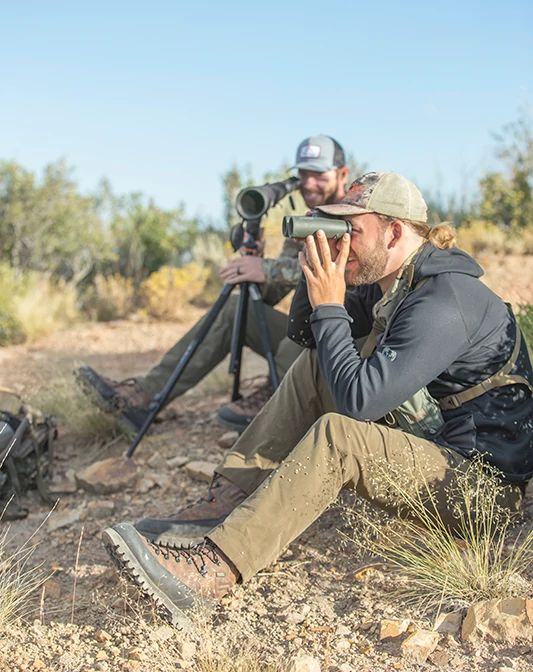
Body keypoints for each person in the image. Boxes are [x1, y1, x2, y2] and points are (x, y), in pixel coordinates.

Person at [102, 171, 533, 627]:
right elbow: (306, 338)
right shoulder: (392, 282)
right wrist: (319, 278)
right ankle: (231, 496)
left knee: (338, 437)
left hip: (482, 493)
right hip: (441, 445)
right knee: (314, 367)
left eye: (353, 229)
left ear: (394, 231)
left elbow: (358, 405)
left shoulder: (446, 297)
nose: (343, 238)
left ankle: (212, 571)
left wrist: (331, 304)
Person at [76, 135, 350, 434]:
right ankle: (142, 397)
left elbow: (350, 278)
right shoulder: (304, 224)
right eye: (303, 174)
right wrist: (256, 262)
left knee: (306, 328)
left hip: (344, 345)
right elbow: (270, 296)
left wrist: (268, 269)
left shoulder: (357, 215)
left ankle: (277, 398)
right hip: (303, 337)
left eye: (318, 175)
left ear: (342, 174)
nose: (308, 184)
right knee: (235, 311)